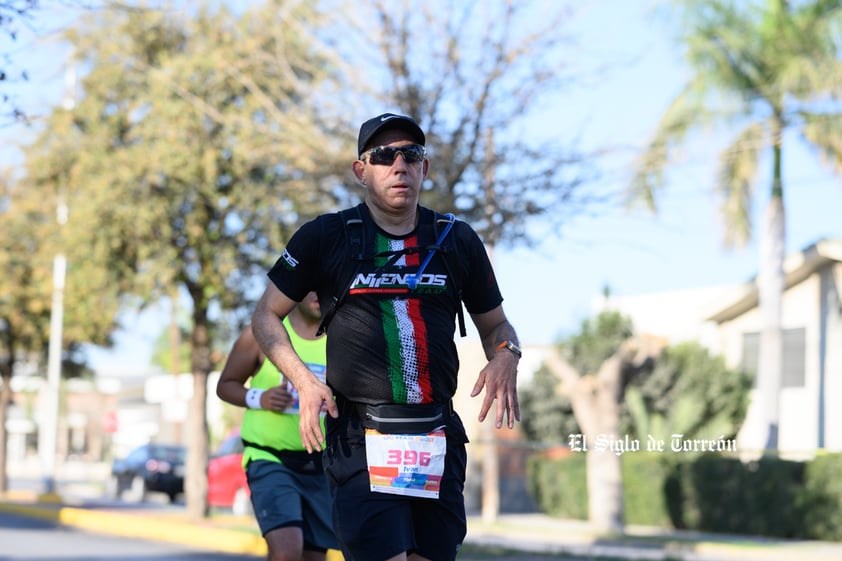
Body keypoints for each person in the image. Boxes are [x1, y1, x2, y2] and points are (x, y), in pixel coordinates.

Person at [251, 112, 521, 561]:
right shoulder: (326, 236)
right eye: (383, 156)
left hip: (437, 434)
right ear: (362, 170)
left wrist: (507, 353)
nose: (399, 165)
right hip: (361, 436)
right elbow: (265, 316)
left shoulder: (457, 240)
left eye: (411, 155)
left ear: (425, 169)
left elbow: (495, 326)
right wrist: (304, 380)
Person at [216, 291, 339, 561]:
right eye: (311, 285)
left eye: (325, 285)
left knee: (313, 557)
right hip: (270, 458)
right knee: (286, 551)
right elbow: (225, 386)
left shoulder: (341, 337)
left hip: (321, 466)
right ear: (293, 288)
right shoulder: (262, 333)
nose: (319, 293)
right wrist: (260, 398)